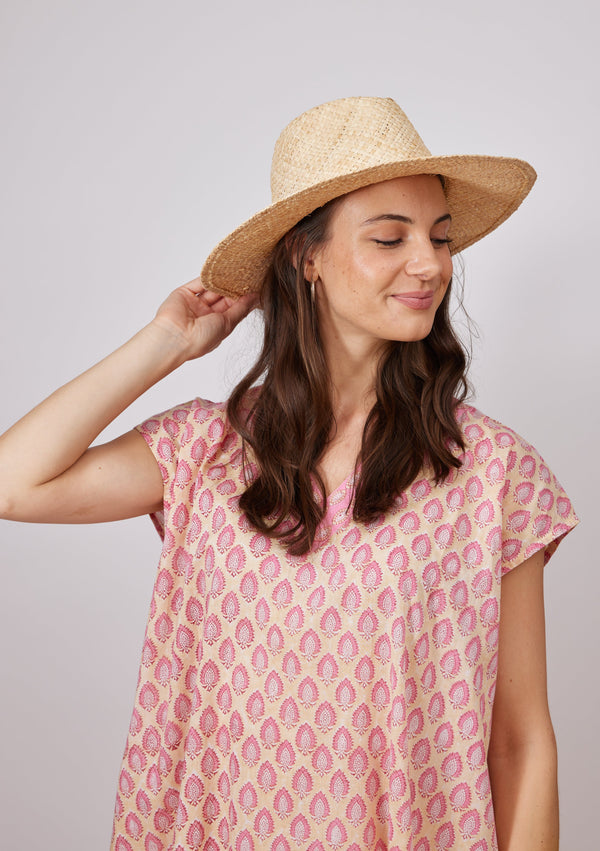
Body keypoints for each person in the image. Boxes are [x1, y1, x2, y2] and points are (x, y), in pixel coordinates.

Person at [0, 97, 578, 851]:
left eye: (439, 238)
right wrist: (168, 341)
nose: (431, 263)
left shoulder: (493, 473)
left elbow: (520, 740)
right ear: (308, 257)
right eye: (389, 237)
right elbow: (16, 483)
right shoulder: (204, 452)